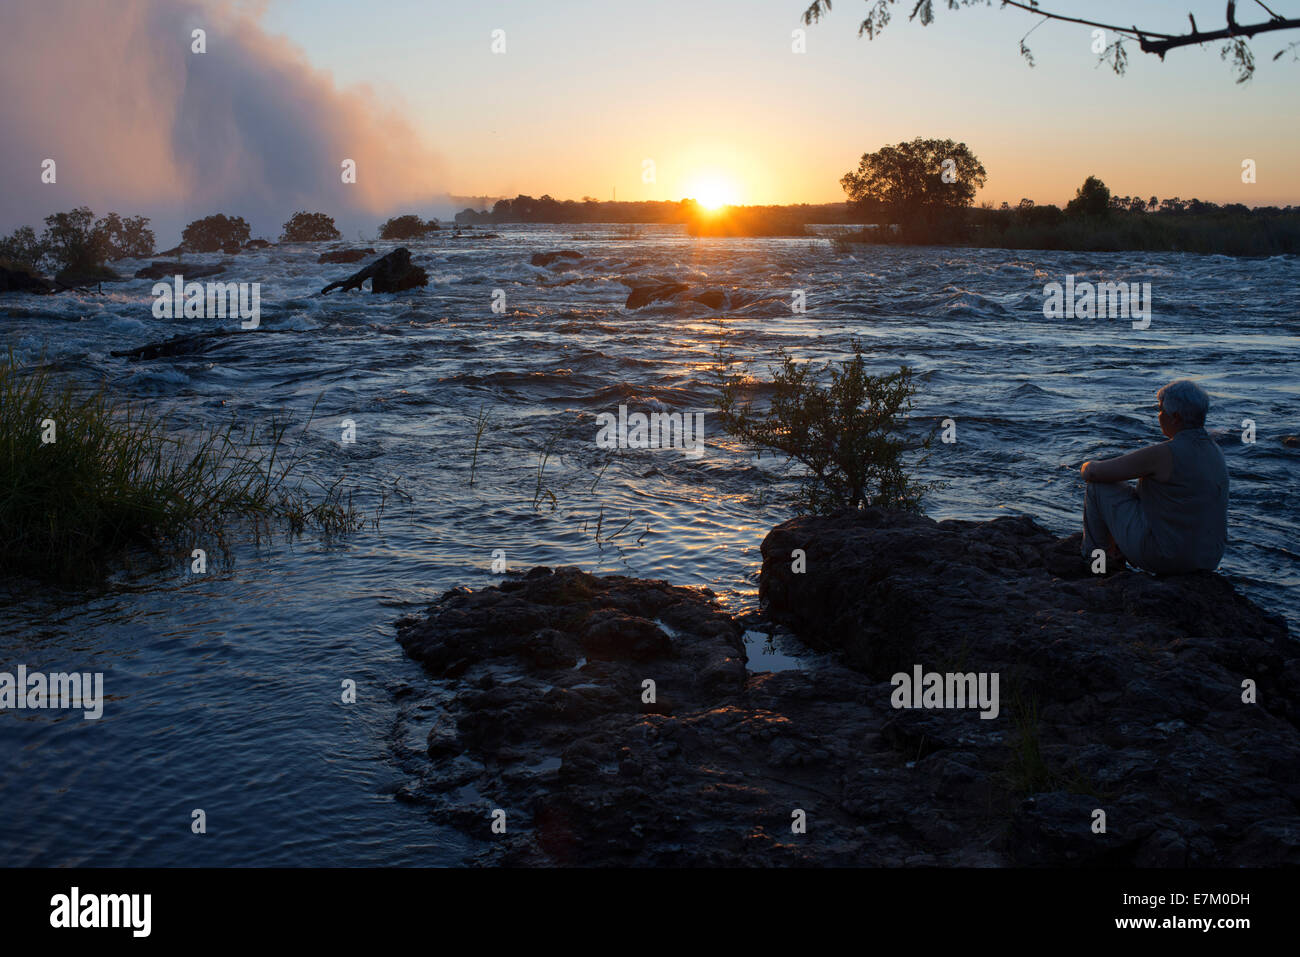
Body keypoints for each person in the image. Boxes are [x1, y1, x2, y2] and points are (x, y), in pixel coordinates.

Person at [1080, 379, 1228, 574]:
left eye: (1160, 410)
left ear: (1175, 417)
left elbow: (1094, 472)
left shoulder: (1165, 453)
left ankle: (1097, 565)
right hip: (1208, 559)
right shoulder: (1215, 451)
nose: (1158, 416)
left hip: (1166, 557)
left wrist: (1085, 465)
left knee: (1097, 487)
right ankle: (1114, 553)